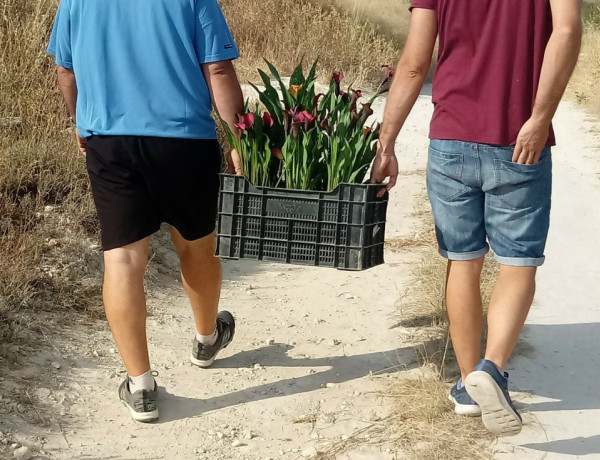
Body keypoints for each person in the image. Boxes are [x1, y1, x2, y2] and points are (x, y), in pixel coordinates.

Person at [371, 0, 582, 436]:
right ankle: (493, 370)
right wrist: (539, 118)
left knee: (463, 260)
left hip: (451, 139)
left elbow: (414, 63)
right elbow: (566, 31)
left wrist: (386, 142)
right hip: (518, 139)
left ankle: (469, 385)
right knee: (517, 261)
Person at [48, 0, 245, 422]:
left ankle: (140, 386)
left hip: (110, 140)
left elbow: (67, 71)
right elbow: (219, 69)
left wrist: (81, 123)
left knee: (123, 257)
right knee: (197, 244)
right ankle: (207, 340)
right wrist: (239, 138)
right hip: (184, 140)